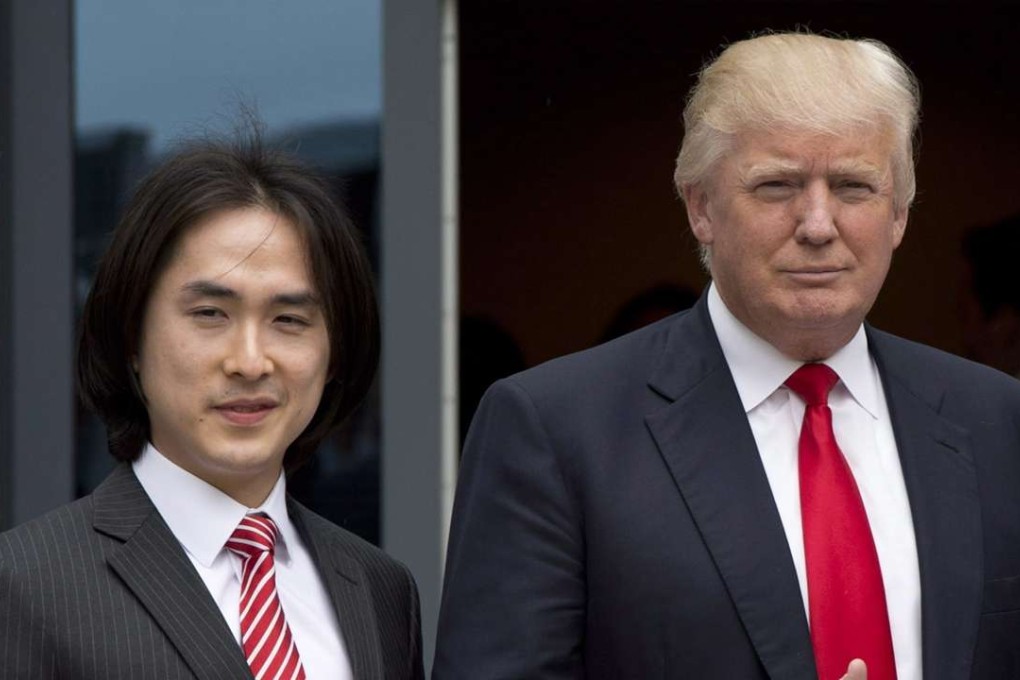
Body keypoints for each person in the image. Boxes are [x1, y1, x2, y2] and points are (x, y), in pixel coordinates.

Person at [434, 32, 1020, 680]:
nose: (819, 224)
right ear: (701, 207)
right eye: (777, 186)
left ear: (900, 215)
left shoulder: (996, 420)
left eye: (854, 186)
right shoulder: (555, 430)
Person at [0, 132, 424, 679]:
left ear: (335, 351)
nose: (250, 362)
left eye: (289, 320)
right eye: (209, 314)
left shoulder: (381, 589)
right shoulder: (23, 585)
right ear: (131, 335)